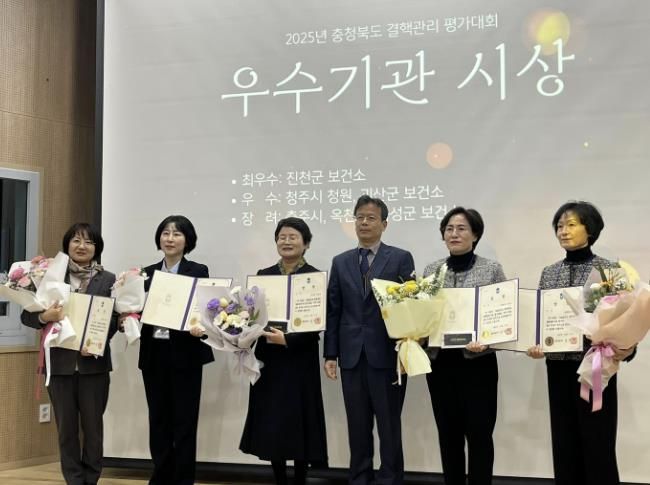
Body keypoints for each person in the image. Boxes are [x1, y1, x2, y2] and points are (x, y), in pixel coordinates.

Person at [527, 201, 635, 485]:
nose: (563, 231)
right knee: (564, 445)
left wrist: (625, 347)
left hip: (596, 369)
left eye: (571, 225)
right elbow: (541, 319)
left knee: (598, 445)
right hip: (558, 369)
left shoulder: (609, 270)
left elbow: (626, 321)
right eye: (559, 226)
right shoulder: (549, 272)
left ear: (590, 229)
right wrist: (535, 342)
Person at [324, 195, 415, 485]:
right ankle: (359, 478)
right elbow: (334, 310)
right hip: (351, 357)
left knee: (389, 427)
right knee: (357, 426)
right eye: (359, 217)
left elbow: (411, 308)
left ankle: (390, 479)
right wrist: (330, 354)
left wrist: (408, 351)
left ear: (384, 224)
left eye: (371, 218)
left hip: (388, 356)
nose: (364, 222)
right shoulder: (340, 262)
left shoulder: (400, 258)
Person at [21, 222, 117, 485]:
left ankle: (91, 478)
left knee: (93, 429)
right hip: (60, 366)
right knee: (66, 430)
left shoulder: (108, 279)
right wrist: (45, 316)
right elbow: (27, 316)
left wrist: (96, 343)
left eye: (88, 241)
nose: (82, 246)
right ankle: (74, 480)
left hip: (93, 366)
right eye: (76, 240)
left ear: (96, 248)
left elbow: (112, 319)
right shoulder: (50, 277)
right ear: (67, 245)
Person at [239, 217, 328, 485]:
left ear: (306, 243)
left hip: (300, 359)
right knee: (272, 421)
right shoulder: (264, 275)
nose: (286, 241)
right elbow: (252, 316)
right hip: (270, 359)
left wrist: (289, 340)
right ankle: (279, 478)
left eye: (293, 237)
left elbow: (317, 322)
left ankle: (300, 478)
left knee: (300, 420)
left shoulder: (314, 276)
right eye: (282, 237)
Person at [422, 207, 506, 485]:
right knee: (448, 436)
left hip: (478, 365)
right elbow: (422, 316)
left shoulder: (491, 269)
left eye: (461, 228)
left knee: (480, 436)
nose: (454, 234)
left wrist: (488, 341)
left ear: (475, 234)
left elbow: (504, 317)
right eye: (449, 229)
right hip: (440, 365)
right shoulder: (431, 271)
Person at [139, 215, 214, 485]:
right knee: (158, 420)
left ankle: (183, 480)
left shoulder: (198, 270)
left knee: (184, 421)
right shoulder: (145, 273)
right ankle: (161, 477)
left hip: (186, 355)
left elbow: (206, 310)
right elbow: (135, 310)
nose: (170, 239)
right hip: (154, 354)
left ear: (187, 240)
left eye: (177, 234)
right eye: (166, 233)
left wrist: (201, 327)